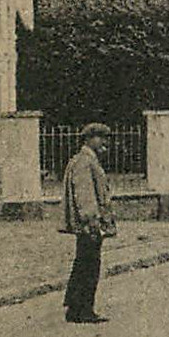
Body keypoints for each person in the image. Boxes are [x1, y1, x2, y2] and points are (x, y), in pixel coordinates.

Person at [60, 123, 115, 324]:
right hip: (89, 224)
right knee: (90, 265)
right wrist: (92, 222)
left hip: (88, 224)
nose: (104, 142)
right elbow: (85, 196)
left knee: (83, 263)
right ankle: (83, 309)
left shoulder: (87, 160)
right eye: (100, 137)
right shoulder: (84, 162)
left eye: (105, 138)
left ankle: (75, 308)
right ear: (88, 139)